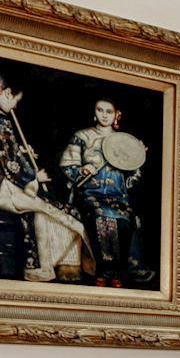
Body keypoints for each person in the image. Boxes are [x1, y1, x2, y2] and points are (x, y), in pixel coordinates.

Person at [0, 73, 93, 283]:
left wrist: (18, 151)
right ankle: (52, 269)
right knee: (70, 214)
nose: (14, 106)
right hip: (1, 191)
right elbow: (13, 166)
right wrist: (35, 176)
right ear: (7, 93)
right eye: (15, 101)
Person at [59, 99, 153, 286]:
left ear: (116, 114)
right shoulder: (82, 136)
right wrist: (83, 170)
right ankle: (102, 272)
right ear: (94, 112)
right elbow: (68, 166)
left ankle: (117, 272)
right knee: (100, 216)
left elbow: (131, 179)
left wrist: (138, 157)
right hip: (89, 193)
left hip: (117, 196)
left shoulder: (124, 141)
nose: (104, 114)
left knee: (124, 220)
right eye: (100, 110)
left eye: (109, 111)